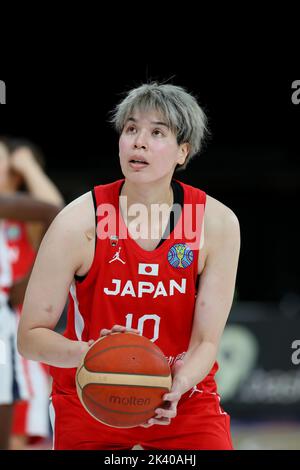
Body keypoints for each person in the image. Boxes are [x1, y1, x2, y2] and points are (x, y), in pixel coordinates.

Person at [18, 83, 241, 450]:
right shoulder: (78, 222)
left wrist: (176, 387)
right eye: (131, 129)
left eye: (157, 132)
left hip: (182, 398)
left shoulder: (215, 224)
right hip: (91, 397)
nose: (139, 142)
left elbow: (206, 341)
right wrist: (88, 353)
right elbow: (30, 337)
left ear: (182, 152)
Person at [0, 138, 64, 450]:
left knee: (15, 437)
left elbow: (58, 216)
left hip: (13, 341)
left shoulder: (23, 216)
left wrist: (26, 165)